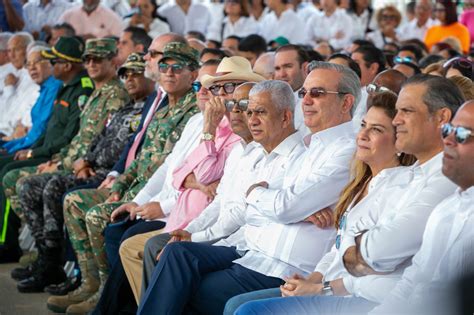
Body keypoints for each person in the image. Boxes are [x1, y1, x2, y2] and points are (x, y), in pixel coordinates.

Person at [234, 74, 464, 315]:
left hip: (370, 299)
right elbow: (347, 247)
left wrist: (327, 284)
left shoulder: (440, 179)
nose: (397, 121)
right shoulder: (408, 176)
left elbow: (378, 253)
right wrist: (319, 279)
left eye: (406, 111)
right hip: (350, 289)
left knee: (246, 310)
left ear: (442, 118)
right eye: (363, 125)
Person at [137, 79, 306, 315]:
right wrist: (190, 232)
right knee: (171, 252)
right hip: (236, 242)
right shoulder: (251, 152)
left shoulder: (288, 156)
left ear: (285, 117)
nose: (241, 114)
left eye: (251, 109)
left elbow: (253, 211)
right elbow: (211, 195)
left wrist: (196, 235)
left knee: (180, 277)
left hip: (248, 248)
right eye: (236, 106)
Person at [59, 40, 200, 311]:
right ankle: (96, 288)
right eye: (164, 66)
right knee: (82, 204)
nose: (169, 73)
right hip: (140, 189)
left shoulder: (193, 111)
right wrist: (120, 180)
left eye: (177, 67)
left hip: (168, 202)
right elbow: (142, 157)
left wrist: (148, 201)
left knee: (111, 225)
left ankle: (112, 300)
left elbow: (176, 170)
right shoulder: (162, 111)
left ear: (193, 74)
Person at [11, 38, 129, 294]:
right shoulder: (97, 92)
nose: (92, 63)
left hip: (94, 170)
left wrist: (78, 164)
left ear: (112, 61)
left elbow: (111, 143)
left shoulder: (116, 95)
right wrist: (59, 161)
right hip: (75, 163)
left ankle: (61, 267)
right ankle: (48, 260)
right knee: (26, 184)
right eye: (88, 59)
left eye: (98, 59)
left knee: (50, 187)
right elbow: (81, 139)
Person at [43, 53, 153, 314]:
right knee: (68, 197)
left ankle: (101, 289)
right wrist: (86, 160)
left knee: (80, 203)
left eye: (136, 73)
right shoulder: (130, 107)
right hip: (110, 174)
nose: (129, 79)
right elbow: (105, 139)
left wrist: (106, 173)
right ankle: (86, 281)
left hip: (131, 184)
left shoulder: (148, 105)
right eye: (125, 74)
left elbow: (127, 153)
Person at [371, 100, 474, 315]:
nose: (448, 140)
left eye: (463, 134)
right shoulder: (446, 209)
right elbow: (413, 280)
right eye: (447, 131)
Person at [0, 32, 38, 138]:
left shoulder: (34, 77)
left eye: (16, 50)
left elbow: (14, 116)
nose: (11, 55)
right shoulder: (13, 73)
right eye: (9, 50)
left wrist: (9, 88)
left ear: (28, 50)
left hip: (11, 134)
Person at [273, 45, 309, 133]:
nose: (282, 74)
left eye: (288, 66)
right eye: (277, 68)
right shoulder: (273, 101)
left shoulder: (316, 102)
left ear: (305, 68)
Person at [59, 0, 123, 38]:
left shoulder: (112, 18)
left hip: (99, 58)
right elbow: (56, 35)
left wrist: (97, 41)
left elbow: (119, 41)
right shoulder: (68, 15)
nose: (89, 1)